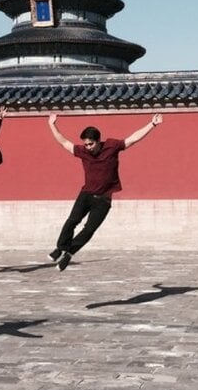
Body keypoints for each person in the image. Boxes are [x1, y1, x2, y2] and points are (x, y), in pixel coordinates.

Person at [47, 112, 163, 271]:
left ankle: (69, 253)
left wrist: (152, 124)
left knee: (89, 229)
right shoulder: (83, 151)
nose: (88, 147)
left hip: (103, 200)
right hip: (86, 194)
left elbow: (133, 139)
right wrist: (52, 125)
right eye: (86, 144)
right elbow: (63, 142)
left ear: (98, 141)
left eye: (91, 144)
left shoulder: (112, 146)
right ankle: (60, 248)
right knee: (72, 221)